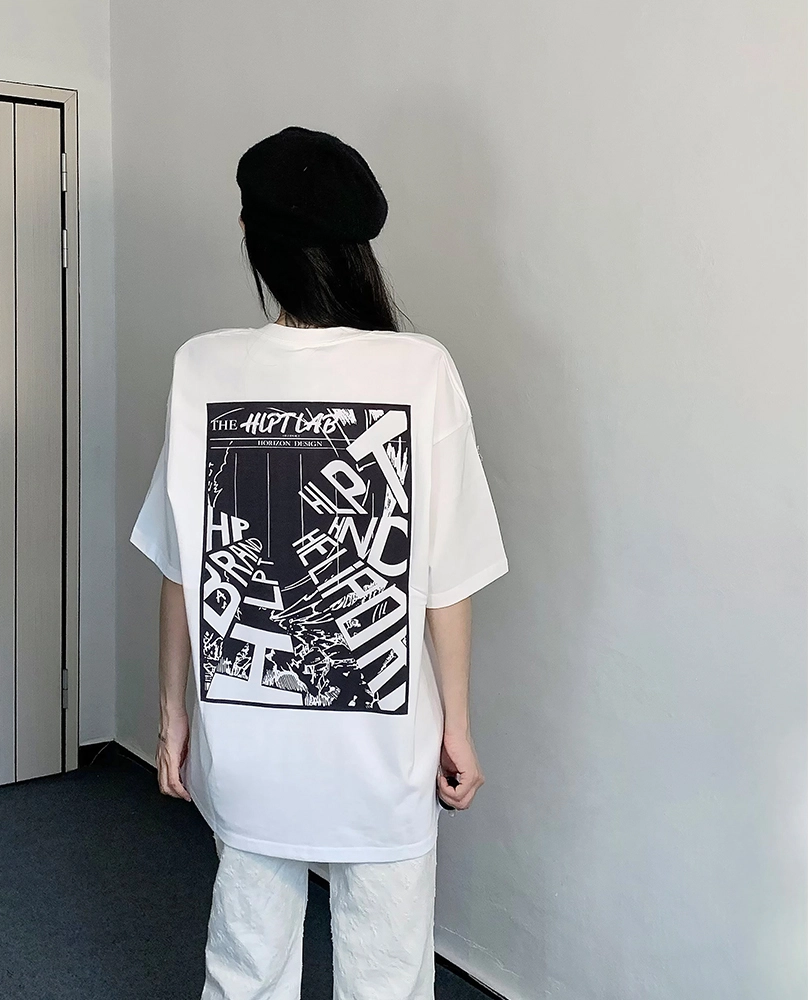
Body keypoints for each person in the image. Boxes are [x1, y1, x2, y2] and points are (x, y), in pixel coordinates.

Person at [130, 125, 509, 1000]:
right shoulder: (420, 369)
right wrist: (456, 725)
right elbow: (446, 574)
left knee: (245, 962)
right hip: (384, 746)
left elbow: (182, 565)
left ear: (250, 234)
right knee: (388, 969)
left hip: (247, 741)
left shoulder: (203, 366)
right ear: (357, 245)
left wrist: (172, 714)